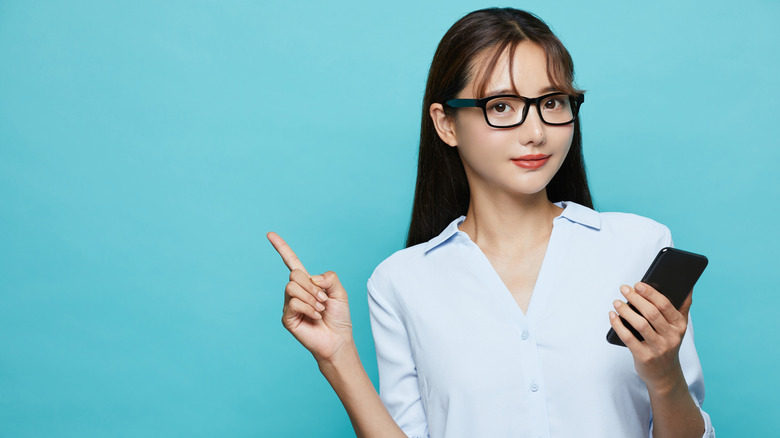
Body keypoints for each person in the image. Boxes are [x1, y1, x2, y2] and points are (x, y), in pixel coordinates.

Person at [267, 7, 714, 438]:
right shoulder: (399, 282)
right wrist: (338, 357)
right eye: (501, 106)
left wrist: (664, 375)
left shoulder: (637, 246)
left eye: (552, 102)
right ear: (446, 124)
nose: (536, 131)